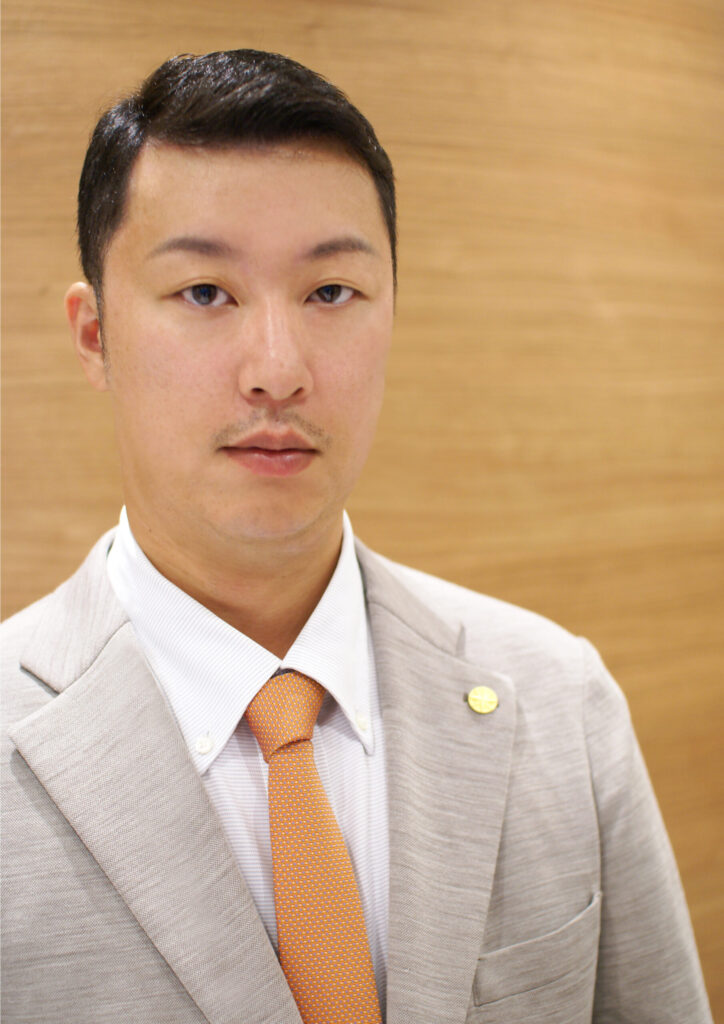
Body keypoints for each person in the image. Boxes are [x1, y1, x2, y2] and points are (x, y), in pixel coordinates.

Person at [0, 49, 712, 1024]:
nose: (277, 370)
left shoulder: (561, 702)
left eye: (330, 292)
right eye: (204, 292)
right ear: (95, 336)